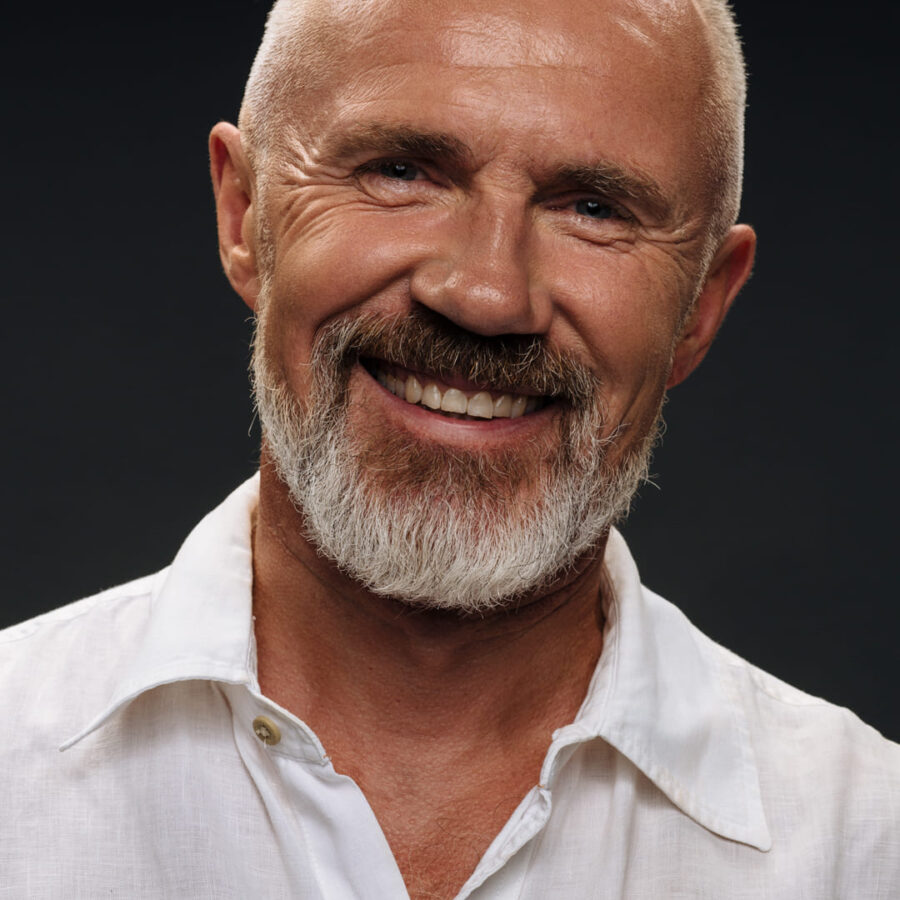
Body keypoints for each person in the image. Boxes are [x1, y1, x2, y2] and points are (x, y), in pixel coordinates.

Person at [1, 0, 897, 897]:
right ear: (245, 215)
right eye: (402, 171)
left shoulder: (865, 846)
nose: (487, 292)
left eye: (594, 208)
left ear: (703, 304)